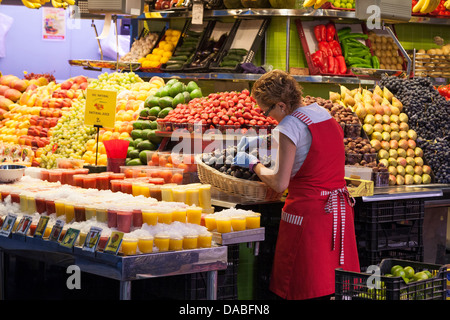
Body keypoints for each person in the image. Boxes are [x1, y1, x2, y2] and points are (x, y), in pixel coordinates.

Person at [233, 69, 360, 300]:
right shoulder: (321, 113)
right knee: (334, 286)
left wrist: (254, 165)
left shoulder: (287, 127)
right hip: (338, 212)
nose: (268, 116)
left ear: (281, 105)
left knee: (303, 287)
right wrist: (266, 139)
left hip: (308, 218)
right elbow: (309, 142)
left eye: (267, 110)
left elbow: (280, 183)